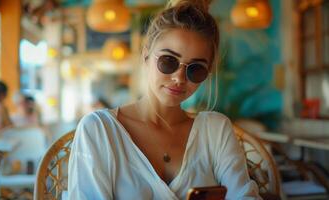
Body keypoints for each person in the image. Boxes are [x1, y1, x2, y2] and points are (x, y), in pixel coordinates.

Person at [68, 0, 261, 199]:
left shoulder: (216, 130)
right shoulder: (99, 130)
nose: (179, 78)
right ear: (146, 55)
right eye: (168, 61)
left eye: (195, 69)